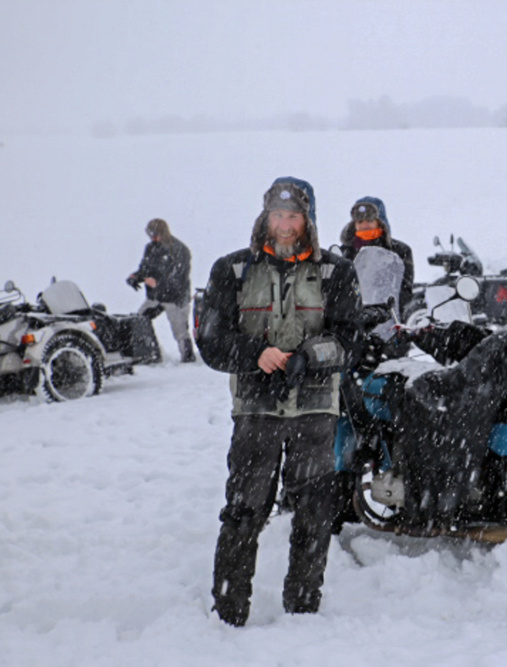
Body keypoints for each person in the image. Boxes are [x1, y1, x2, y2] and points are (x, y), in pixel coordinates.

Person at [196, 177, 363, 626]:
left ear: (307, 220)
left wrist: (310, 356)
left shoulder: (336, 272)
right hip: (256, 411)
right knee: (244, 511)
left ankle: (303, 612)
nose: (285, 225)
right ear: (264, 216)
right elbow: (210, 340)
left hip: (315, 412)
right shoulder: (231, 270)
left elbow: (352, 341)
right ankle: (228, 614)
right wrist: (257, 355)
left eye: (294, 216)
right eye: (277, 215)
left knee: (313, 513)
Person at [127, 218, 197, 362]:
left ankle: (188, 360)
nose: (153, 238)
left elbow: (178, 278)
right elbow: (145, 269)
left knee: (180, 332)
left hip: (176, 299)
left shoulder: (180, 250)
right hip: (155, 298)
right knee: (139, 321)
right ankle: (151, 354)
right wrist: (136, 277)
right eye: (150, 235)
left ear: (164, 233)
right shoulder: (150, 248)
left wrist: (157, 283)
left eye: (156, 235)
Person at [338, 196, 414, 319]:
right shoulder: (344, 253)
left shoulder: (400, 251)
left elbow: (404, 290)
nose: (365, 225)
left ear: (380, 222)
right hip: (354, 321)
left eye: (369, 220)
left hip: (388, 319)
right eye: (360, 221)